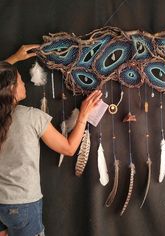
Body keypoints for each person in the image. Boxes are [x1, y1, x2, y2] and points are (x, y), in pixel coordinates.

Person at [0, 45, 102, 236]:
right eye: (21, 81)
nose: (25, 84)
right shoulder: (31, 117)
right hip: (23, 205)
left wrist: (14, 58)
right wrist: (84, 115)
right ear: (12, 88)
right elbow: (69, 149)